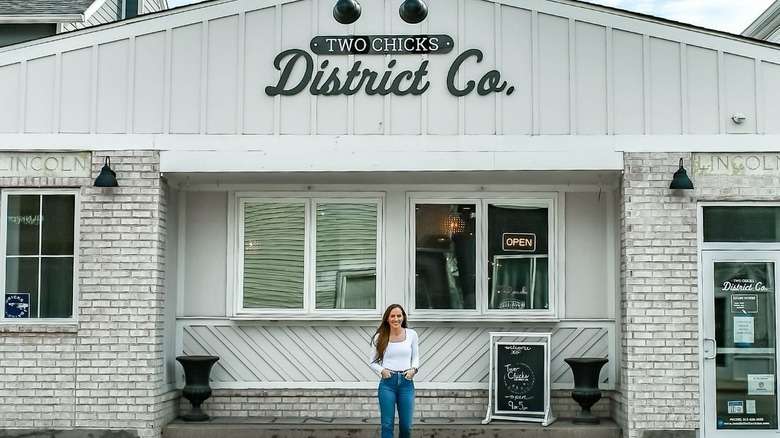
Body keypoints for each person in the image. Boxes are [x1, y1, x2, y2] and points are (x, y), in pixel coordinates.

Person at [369, 304, 420, 438]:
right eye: (392, 316)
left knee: (406, 426)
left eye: (399, 316)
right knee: (387, 425)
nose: (396, 319)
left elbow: (415, 356)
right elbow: (373, 361)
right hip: (387, 384)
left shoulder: (411, 334)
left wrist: (413, 369)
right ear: (387, 319)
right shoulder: (379, 337)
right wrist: (382, 371)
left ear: (403, 318)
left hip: (406, 383)